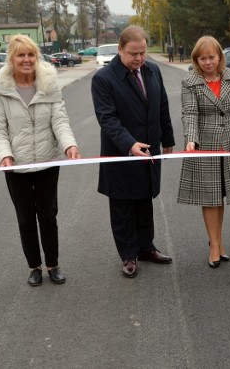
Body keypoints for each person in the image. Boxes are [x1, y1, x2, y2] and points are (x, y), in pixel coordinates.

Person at [0, 34, 81, 286]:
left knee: (48, 216)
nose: (26, 60)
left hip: (46, 163)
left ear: (36, 58)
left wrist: (69, 144)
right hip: (16, 167)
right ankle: (34, 267)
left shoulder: (48, 85)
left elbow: (59, 120)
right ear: (12, 59)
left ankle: (53, 264)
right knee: (26, 218)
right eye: (21, 55)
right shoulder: (2, 90)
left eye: (31, 55)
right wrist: (4, 155)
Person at [91, 25, 176, 279]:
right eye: (133, 54)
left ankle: (146, 247)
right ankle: (129, 255)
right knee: (122, 206)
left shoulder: (153, 70)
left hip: (149, 149)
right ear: (120, 49)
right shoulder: (104, 79)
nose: (139, 59)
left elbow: (162, 106)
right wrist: (130, 144)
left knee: (144, 201)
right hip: (122, 153)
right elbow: (108, 119)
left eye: (143, 53)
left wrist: (168, 137)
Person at [177, 35, 230, 268]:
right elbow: (190, 114)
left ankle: (218, 242)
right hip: (204, 145)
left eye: (212, 57)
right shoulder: (190, 82)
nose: (208, 62)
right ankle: (214, 245)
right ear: (196, 60)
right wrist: (191, 139)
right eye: (203, 58)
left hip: (229, 143)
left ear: (219, 56)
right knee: (210, 197)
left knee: (221, 195)